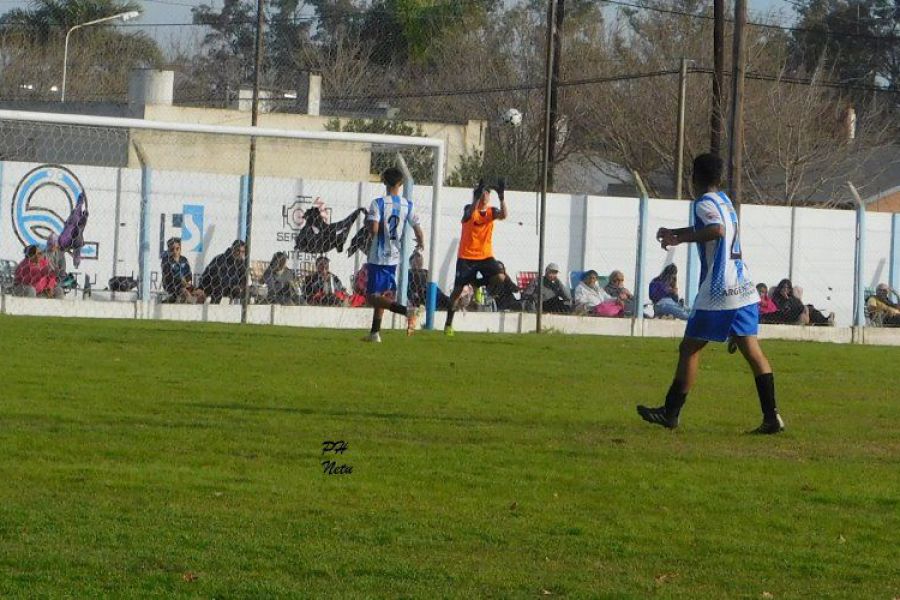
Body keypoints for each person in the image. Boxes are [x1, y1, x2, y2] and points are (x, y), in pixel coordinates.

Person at [637, 153, 784, 434]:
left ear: (694, 177)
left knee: (689, 348)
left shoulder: (703, 202)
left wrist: (678, 238)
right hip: (744, 286)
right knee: (752, 351)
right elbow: (714, 226)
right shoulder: (725, 201)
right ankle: (772, 417)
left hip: (720, 291)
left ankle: (670, 412)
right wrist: (676, 232)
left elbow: (715, 230)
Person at [363, 167, 426, 342]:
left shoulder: (378, 203)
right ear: (400, 184)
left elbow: (374, 230)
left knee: (371, 297)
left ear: (384, 182)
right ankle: (375, 333)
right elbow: (418, 230)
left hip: (378, 255)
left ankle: (407, 311)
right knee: (381, 295)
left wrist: (367, 222)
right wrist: (421, 242)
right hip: (394, 257)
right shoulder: (408, 204)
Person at [443, 178, 509, 336]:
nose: (486, 195)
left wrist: (502, 197)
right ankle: (448, 324)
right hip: (466, 257)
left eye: (488, 192)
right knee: (457, 292)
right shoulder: (469, 209)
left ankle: (477, 284)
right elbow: (469, 215)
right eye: (484, 192)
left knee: (500, 276)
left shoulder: (491, 211)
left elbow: (504, 215)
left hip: (485, 256)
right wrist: (476, 198)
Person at [161, 237, 205, 304]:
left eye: (177, 248)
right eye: (172, 249)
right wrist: (181, 281)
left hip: (185, 285)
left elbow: (189, 274)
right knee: (186, 293)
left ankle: (197, 311)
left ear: (180, 248)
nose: (175, 251)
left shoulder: (184, 260)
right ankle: (175, 300)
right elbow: (169, 277)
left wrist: (188, 282)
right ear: (169, 250)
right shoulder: (166, 261)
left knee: (201, 294)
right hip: (172, 286)